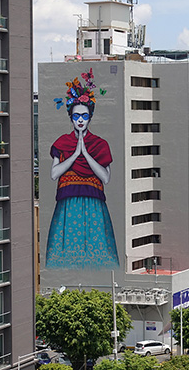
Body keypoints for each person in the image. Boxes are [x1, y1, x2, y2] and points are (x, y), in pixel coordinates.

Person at [46, 69, 119, 269]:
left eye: (84, 116)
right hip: (67, 205)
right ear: (71, 117)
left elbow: (105, 178)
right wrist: (74, 154)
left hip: (94, 204)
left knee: (98, 251)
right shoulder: (62, 142)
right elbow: (54, 174)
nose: (80, 120)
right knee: (65, 251)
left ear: (90, 117)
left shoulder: (100, 144)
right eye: (76, 116)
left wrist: (85, 153)